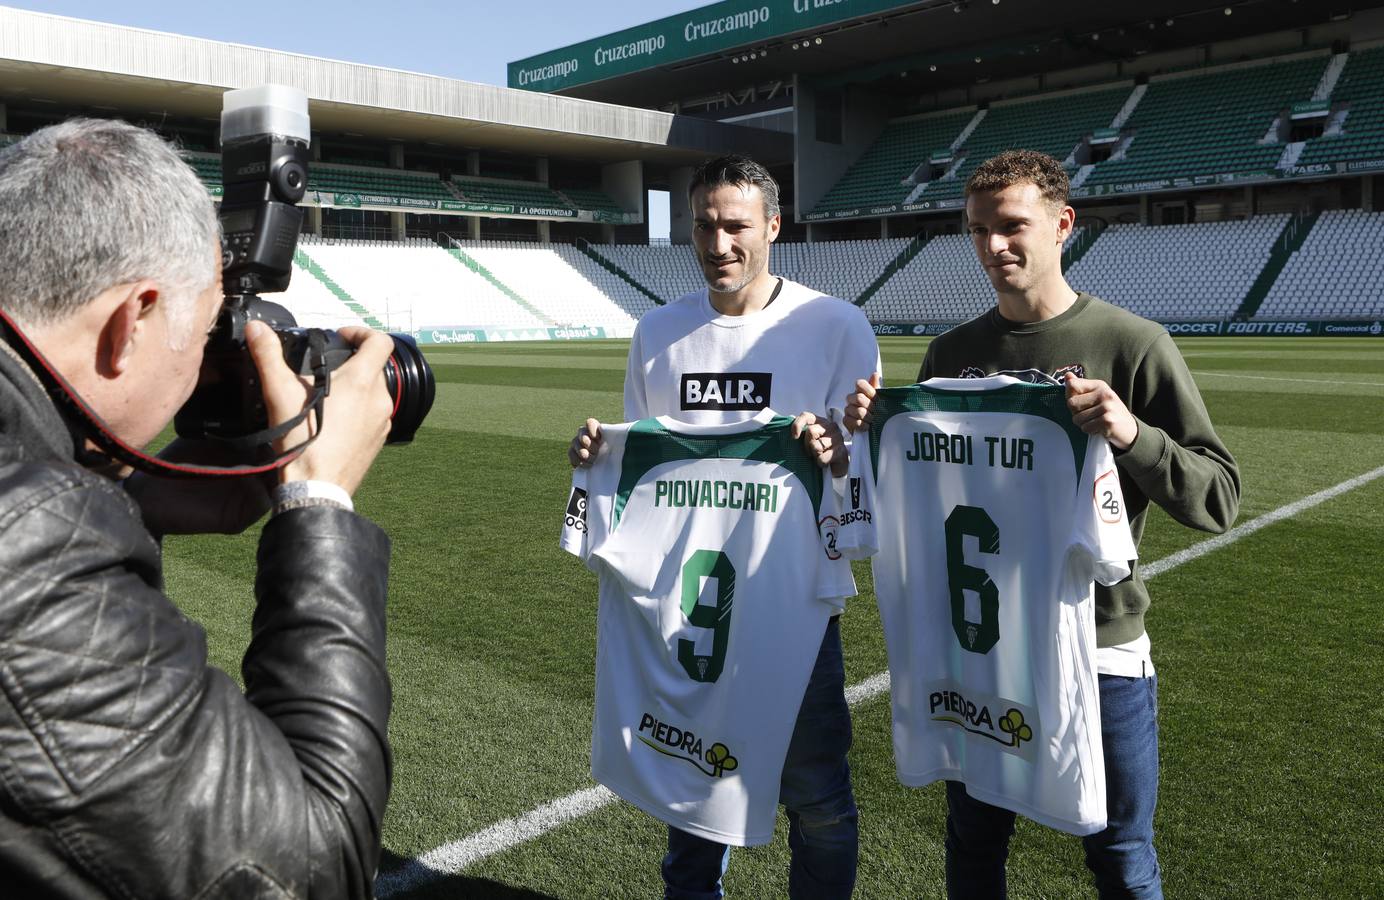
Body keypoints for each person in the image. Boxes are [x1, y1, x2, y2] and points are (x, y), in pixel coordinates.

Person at [0, 118, 398, 898]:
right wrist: (318, 500)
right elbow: (307, 869)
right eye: (209, 327)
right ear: (131, 321)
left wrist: (123, 495)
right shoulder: (27, 558)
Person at [845, 149, 1240, 899]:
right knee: (973, 844)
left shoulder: (1133, 344)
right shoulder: (951, 354)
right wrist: (877, 431)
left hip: (1100, 651)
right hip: (982, 651)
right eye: (977, 231)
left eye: (1011, 227)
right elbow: (926, 494)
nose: (993, 247)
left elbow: (1218, 496)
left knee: (1121, 856)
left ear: (1063, 225)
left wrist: (1132, 434)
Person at [569, 154, 880, 899]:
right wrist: (595, 457)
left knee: (819, 802)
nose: (719, 244)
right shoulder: (658, 332)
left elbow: (864, 481)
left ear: (774, 225)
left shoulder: (834, 327)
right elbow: (643, 465)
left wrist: (836, 457)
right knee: (691, 792)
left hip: (791, 602)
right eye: (704, 226)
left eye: (737, 225)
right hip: (686, 606)